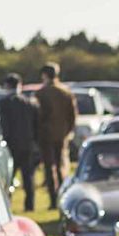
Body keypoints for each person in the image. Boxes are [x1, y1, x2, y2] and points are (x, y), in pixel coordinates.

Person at [0, 73, 41, 212]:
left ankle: (6, 203)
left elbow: (4, 125)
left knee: (8, 177)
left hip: (11, 145)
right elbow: (36, 124)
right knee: (28, 177)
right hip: (27, 144)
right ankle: (30, 205)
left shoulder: (4, 103)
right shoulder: (29, 103)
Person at [34, 62, 77, 209]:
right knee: (61, 167)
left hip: (45, 135)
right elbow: (73, 116)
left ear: (44, 75)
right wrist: (67, 131)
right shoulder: (66, 92)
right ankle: (63, 197)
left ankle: (53, 200)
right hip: (62, 134)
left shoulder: (41, 93)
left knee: (49, 168)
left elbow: (38, 116)